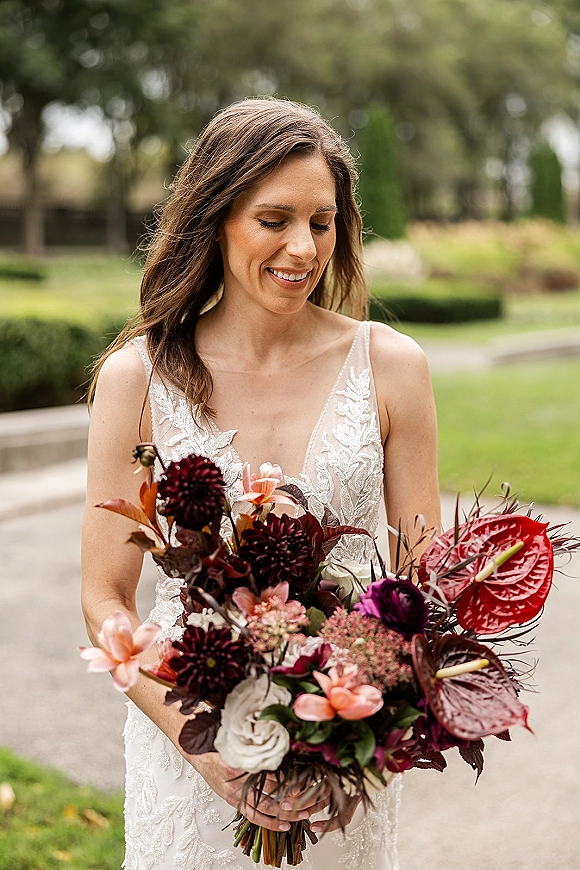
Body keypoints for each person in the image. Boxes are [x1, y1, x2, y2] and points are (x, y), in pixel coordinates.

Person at [81, 97, 440, 870]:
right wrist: (203, 749)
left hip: (342, 754)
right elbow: (105, 598)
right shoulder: (137, 377)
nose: (303, 248)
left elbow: (422, 583)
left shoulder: (393, 367)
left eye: (322, 221)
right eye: (273, 220)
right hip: (190, 751)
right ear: (216, 218)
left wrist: (361, 717)